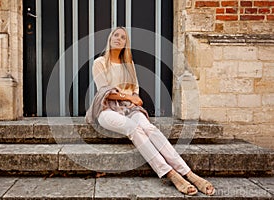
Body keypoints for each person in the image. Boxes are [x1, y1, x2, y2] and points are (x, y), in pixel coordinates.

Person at [86, 27, 215, 196]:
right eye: (115, 35)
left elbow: (136, 91)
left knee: (150, 129)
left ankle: (189, 173)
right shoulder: (100, 62)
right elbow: (105, 92)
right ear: (110, 39)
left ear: (126, 43)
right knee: (133, 128)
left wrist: (131, 98)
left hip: (129, 108)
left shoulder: (129, 64)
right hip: (106, 109)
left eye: (123, 37)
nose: (118, 38)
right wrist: (129, 97)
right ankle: (171, 174)